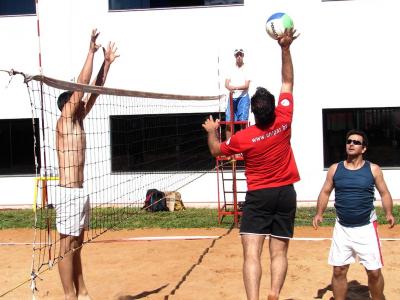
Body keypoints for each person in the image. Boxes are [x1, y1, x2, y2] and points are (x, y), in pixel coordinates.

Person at [203, 28, 299, 300]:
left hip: (259, 196)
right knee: (278, 252)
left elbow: (216, 152)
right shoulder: (284, 120)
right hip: (285, 193)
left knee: (251, 253)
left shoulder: (244, 137)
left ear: (253, 111)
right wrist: (284, 48)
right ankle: (274, 294)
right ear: (273, 107)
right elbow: (288, 81)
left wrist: (212, 130)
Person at [56, 28, 119, 300]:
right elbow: (82, 86)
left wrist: (106, 63)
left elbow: (94, 90)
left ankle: (82, 292)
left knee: (78, 245)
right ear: (68, 104)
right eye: (77, 100)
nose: (83, 102)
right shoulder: (66, 120)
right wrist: (90, 52)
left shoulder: (79, 119)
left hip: (80, 191)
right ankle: (69, 295)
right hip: (68, 192)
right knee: (66, 245)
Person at [313, 129, 395, 300]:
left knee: (373, 272)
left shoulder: (373, 169)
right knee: (338, 270)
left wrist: (389, 213)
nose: (351, 144)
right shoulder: (335, 169)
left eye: (356, 142)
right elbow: (325, 192)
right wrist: (318, 213)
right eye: (349, 141)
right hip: (342, 228)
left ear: (364, 148)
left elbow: (384, 193)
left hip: (366, 228)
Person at [224, 48, 251, 140]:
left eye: (240, 55)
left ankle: (242, 145)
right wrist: (230, 87)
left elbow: (246, 85)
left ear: (243, 56)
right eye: (237, 55)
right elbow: (226, 84)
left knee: (242, 121)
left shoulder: (247, 68)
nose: (239, 57)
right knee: (229, 121)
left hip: (243, 97)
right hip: (232, 97)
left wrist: (234, 87)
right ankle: (228, 145)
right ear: (235, 56)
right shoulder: (230, 68)